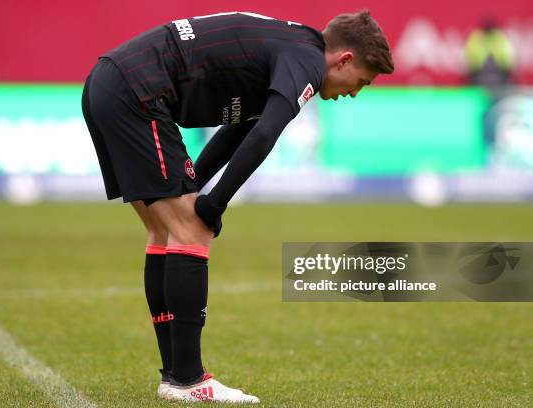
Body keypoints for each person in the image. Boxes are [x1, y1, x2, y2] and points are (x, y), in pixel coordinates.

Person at [81, 10, 393, 403]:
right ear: (344, 59)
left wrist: (203, 192)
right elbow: (265, 135)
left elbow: (239, 130)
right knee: (190, 231)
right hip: (137, 91)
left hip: (110, 82)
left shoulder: (291, 46)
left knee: (165, 232)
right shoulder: (307, 62)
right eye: (361, 82)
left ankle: (175, 377)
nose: (354, 92)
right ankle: (190, 380)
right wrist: (212, 206)